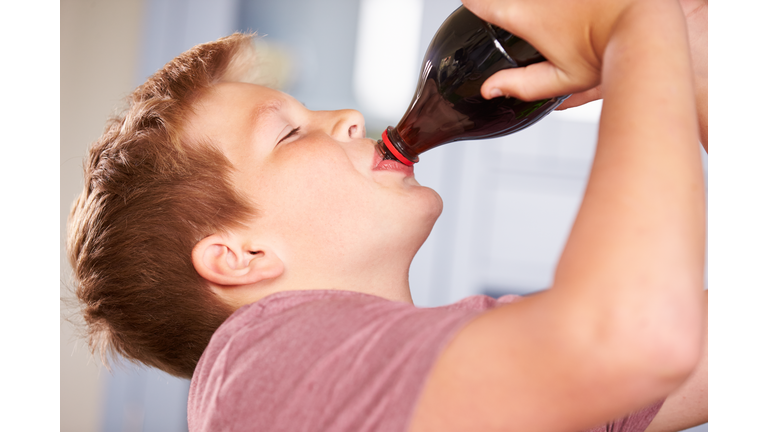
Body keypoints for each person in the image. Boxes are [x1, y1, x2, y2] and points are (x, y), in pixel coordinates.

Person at [67, 0, 708, 430]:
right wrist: (635, 31)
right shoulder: (253, 368)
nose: (347, 117)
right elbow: (643, 335)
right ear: (241, 256)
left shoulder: (492, 365)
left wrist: (697, 58)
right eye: (289, 134)